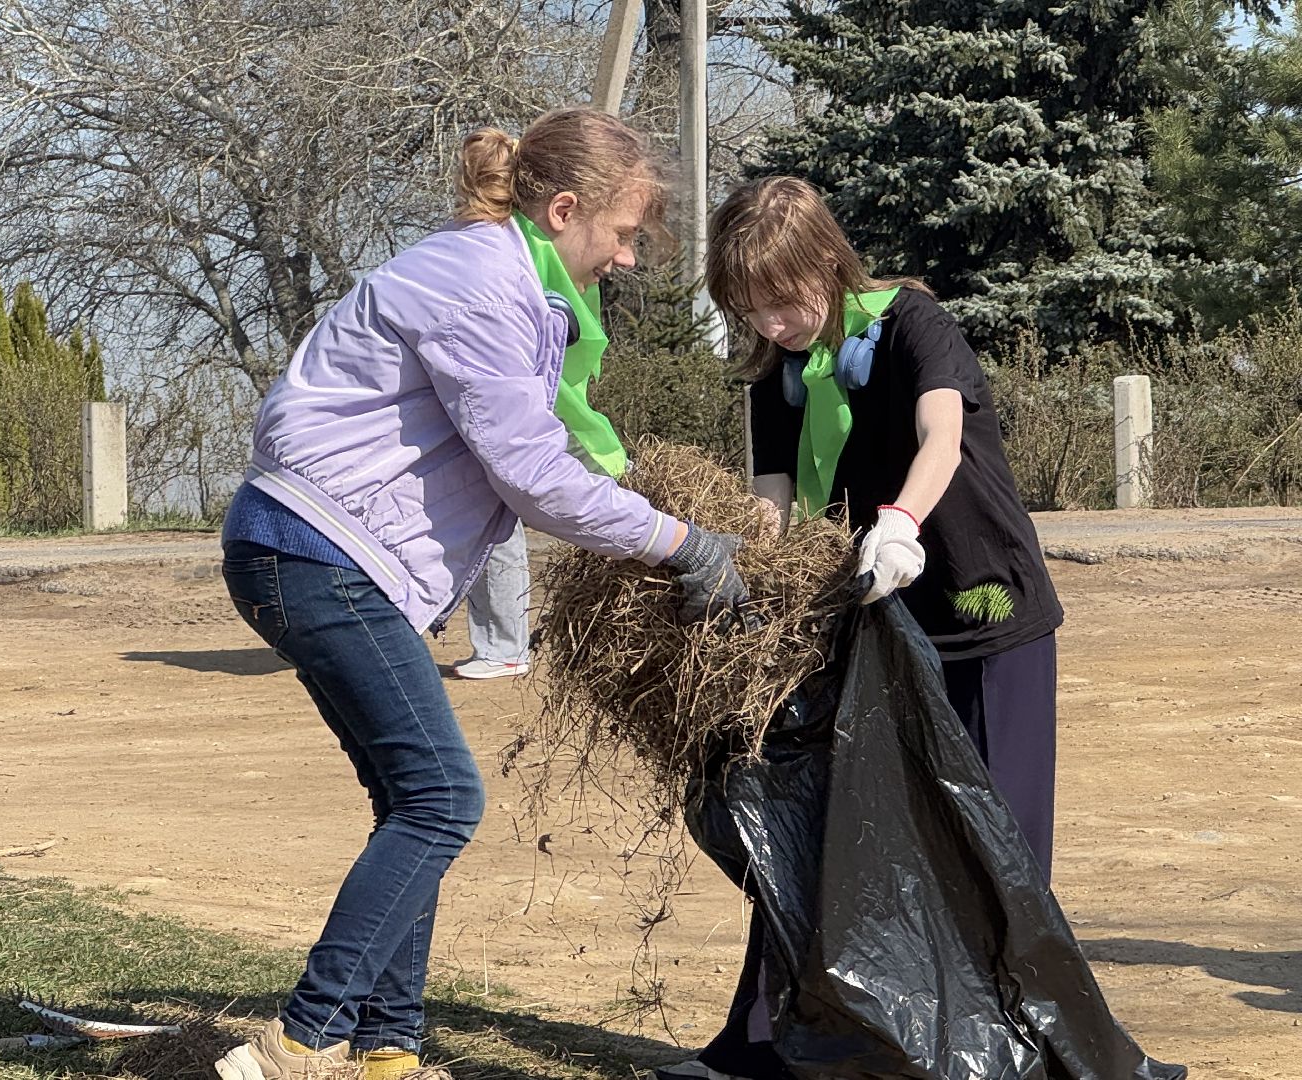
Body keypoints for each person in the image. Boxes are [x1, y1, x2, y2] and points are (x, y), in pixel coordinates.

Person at [212, 107, 750, 1080]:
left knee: (408, 800)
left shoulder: (502, 277)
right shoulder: (485, 287)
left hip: (309, 549)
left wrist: (630, 493)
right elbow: (532, 477)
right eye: (623, 233)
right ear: (565, 210)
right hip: (319, 554)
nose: (628, 258)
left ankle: (389, 1052)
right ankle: (301, 1041)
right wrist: (681, 542)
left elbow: (548, 440)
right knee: (442, 798)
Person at [654, 175, 1065, 1080]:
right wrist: (751, 591)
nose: (772, 323)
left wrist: (901, 523)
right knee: (821, 832)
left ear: (828, 265)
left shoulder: (914, 323)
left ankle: (1013, 1048)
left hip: (981, 611)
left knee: (997, 843)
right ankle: (762, 1044)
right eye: (750, 307)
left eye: (784, 299)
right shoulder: (775, 372)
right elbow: (769, 504)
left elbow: (941, 437)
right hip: (870, 622)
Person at [453, 231, 631, 682]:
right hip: (542, 398)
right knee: (614, 482)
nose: (625, 258)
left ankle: (503, 646)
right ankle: (503, 644)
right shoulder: (513, 242)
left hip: (537, 400)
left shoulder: (525, 241)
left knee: (498, 499)